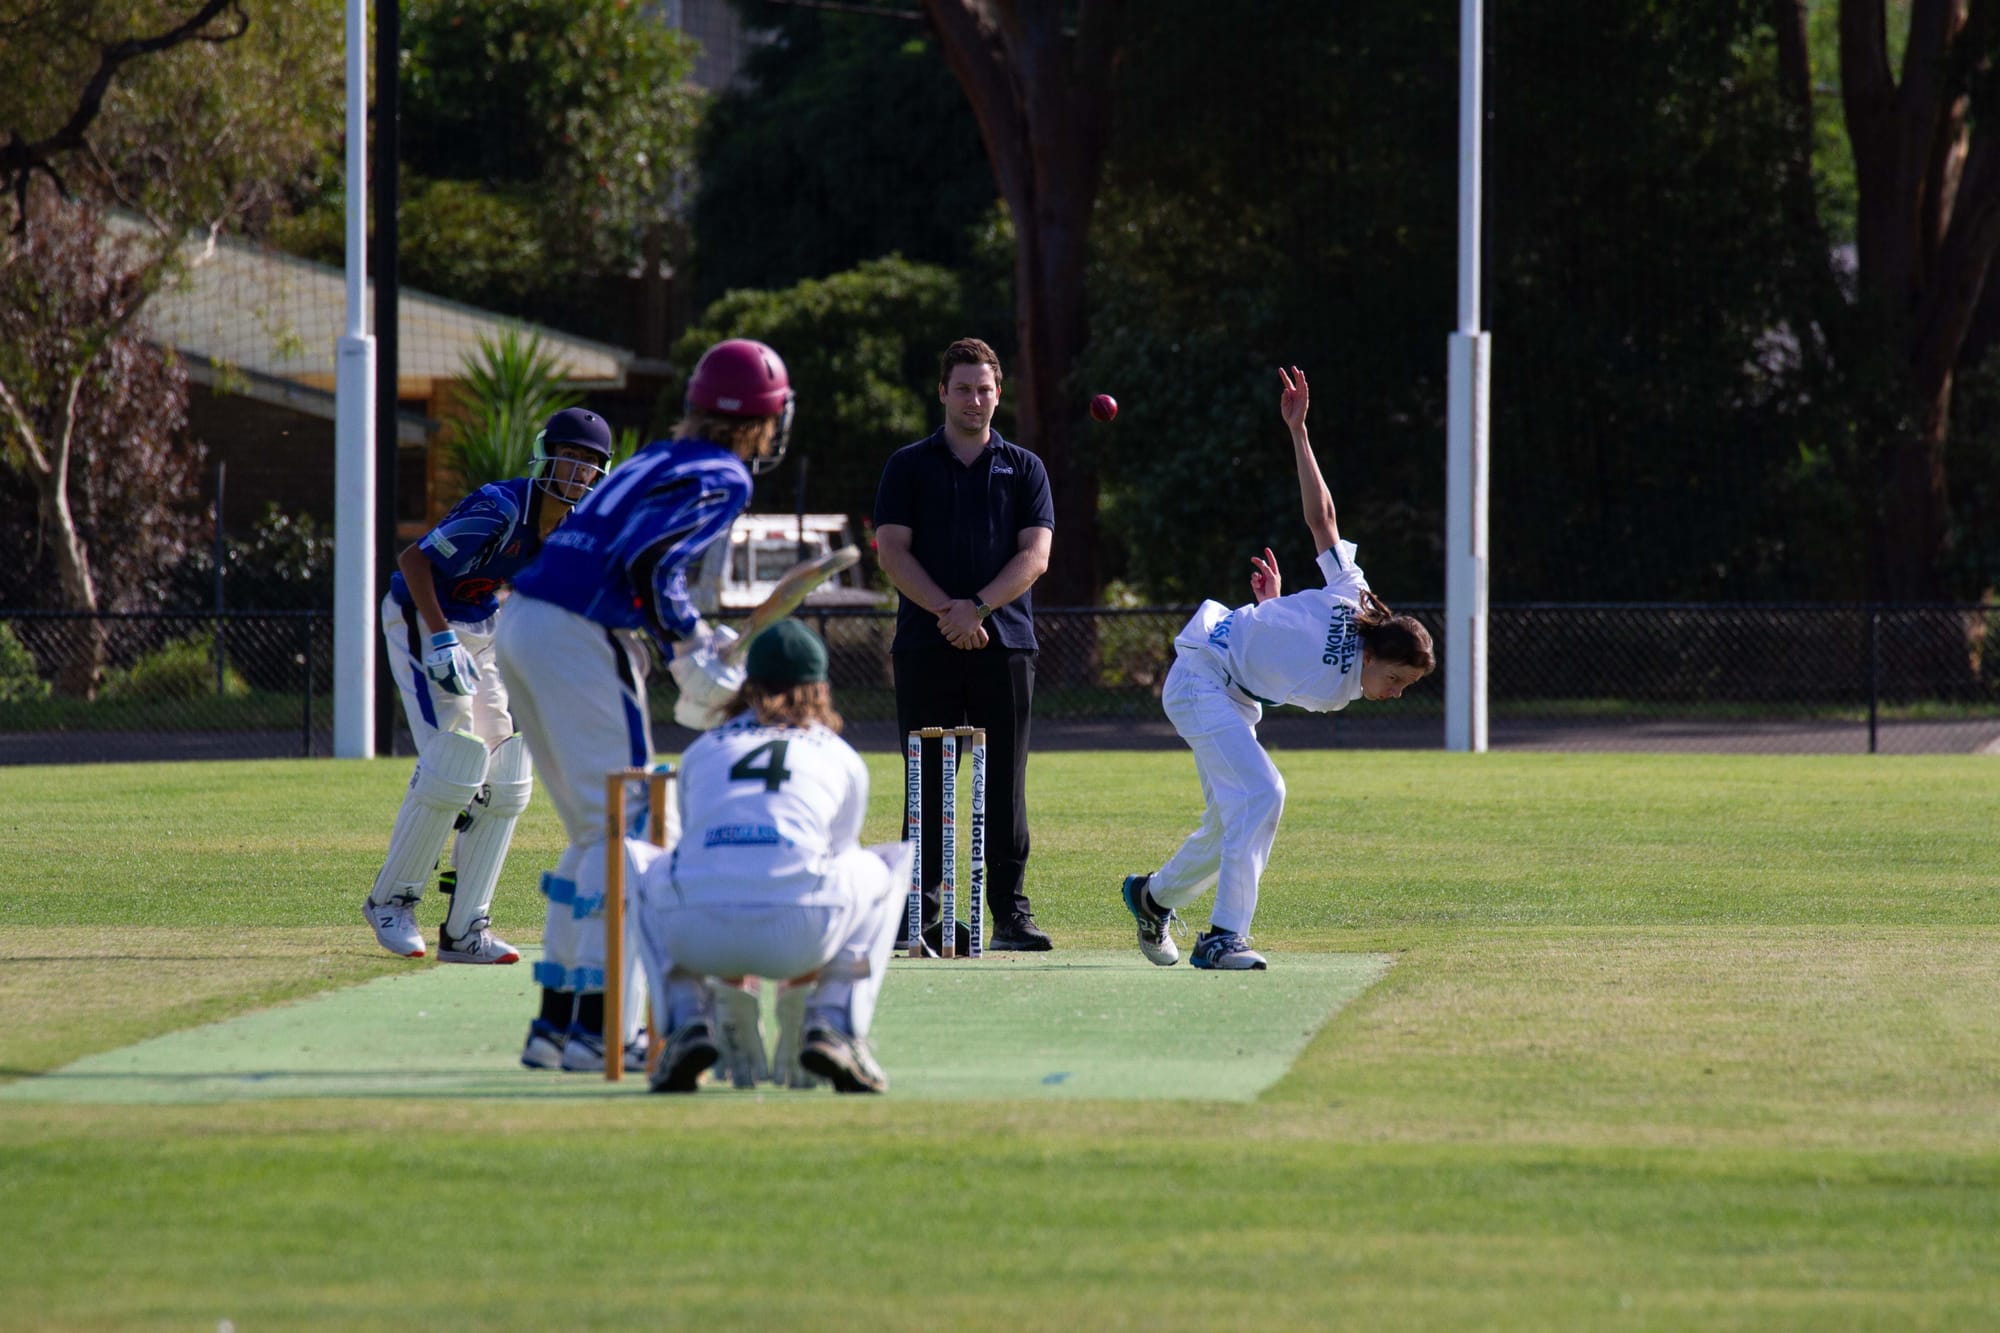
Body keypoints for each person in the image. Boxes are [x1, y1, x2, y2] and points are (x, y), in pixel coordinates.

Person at [495, 338, 794, 1073]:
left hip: (524, 619)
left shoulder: (658, 454)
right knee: (634, 824)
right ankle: (600, 1028)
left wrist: (685, 636)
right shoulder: (725, 473)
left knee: (593, 835)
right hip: (575, 632)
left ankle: (559, 1025)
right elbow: (650, 561)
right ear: (762, 418)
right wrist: (691, 643)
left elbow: (630, 557)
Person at [1119, 366, 1435, 970]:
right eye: (1396, 680)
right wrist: (1299, 432)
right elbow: (1324, 520)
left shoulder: (1343, 680)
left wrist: (1271, 612)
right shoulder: (1356, 598)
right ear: (1376, 652)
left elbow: (1283, 640)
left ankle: (1151, 896)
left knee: (1226, 824)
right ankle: (1221, 938)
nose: (1394, 695)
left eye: (1405, 689)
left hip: (1232, 695)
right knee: (1266, 791)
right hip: (1199, 677)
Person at [362, 406, 613, 965]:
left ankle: (465, 928)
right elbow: (414, 560)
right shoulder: (500, 507)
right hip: (421, 616)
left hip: (482, 623)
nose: (575, 471)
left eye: (588, 462)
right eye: (568, 455)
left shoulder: (573, 531)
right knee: (455, 761)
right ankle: (391, 902)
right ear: (547, 453)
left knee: (507, 773)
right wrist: (441, 639)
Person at [630, 619, 909, 1094]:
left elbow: (704, 852)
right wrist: (797, 991)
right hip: (803, 935)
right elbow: (830, 860)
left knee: (640, 860)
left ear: (748, 683)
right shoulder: (840, 755)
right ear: (819, 687)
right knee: (887, 864)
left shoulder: (700, 751)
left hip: (696, 935)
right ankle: (833, 1022)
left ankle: (685, 1023)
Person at [872, 337, 1054, 953]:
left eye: (985, 389)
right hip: (925, 644)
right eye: (963, 388)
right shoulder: (908, 465)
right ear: (942, 393)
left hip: (1005, 644)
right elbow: (892, 550)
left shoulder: (1025, 467)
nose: (974, 400)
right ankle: (914, 918)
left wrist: (974, 608)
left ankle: (1009, 915)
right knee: (926, 779)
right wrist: (946, 613)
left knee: (1004, 783)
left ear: (998, 394)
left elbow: (1036, 556)